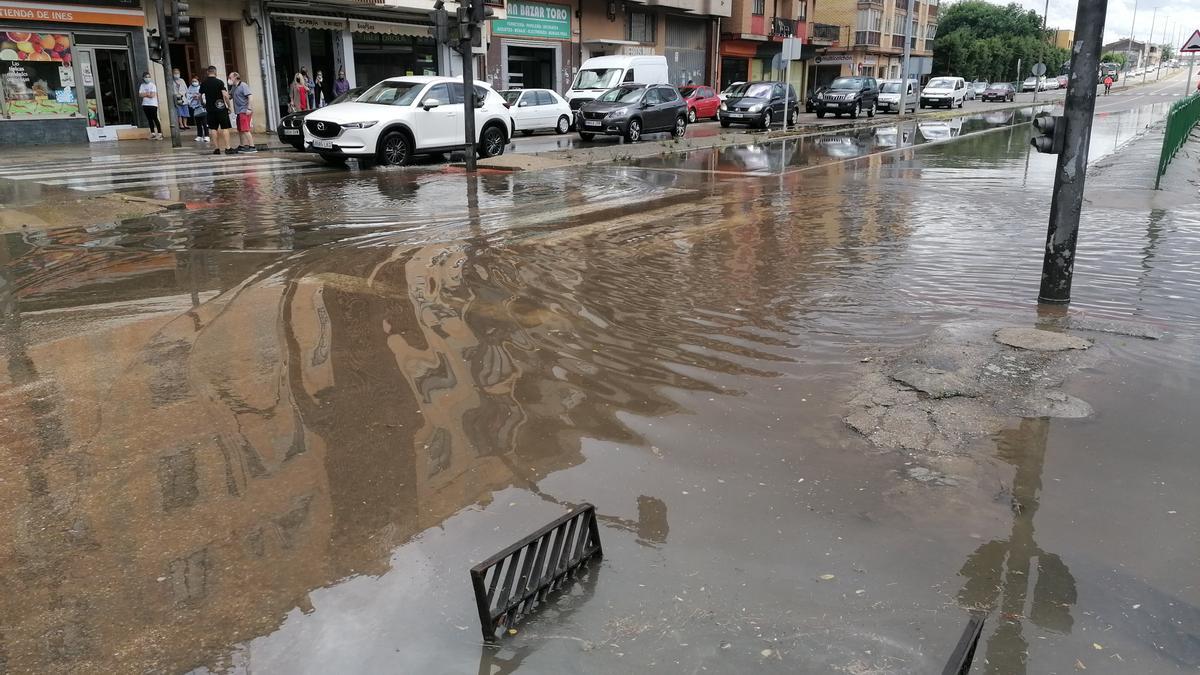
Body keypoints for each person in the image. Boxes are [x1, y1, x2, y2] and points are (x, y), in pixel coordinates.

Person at [199, 65, 236, 155]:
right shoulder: (219, 82)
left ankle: (216, 149)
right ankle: (228, 148)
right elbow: (225, 95)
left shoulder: (204, 83)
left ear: (208, 72)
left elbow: (200, 95)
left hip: (210, 109)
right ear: (215, 72)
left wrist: (202, 103)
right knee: (225, 128)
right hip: (221, 108)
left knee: (213, 129)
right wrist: (229, 106)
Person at [229, 71, 256, 153]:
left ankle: (252, 146)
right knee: (240, 129)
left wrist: (249, 108)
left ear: (235, 77)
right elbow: (230, 96)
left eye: (230, 77)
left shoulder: (243, 85)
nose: (229, 79)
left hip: (244, 110)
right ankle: (242, 146)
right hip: (238, 111)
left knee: (245, 129)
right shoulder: (234, 87)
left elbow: (250, 97)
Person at [138, 72, 163, 140]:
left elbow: (152, 95)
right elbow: (140, 94)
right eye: (146, 77)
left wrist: (145, 94)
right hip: (145, 104)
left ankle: (160, 133)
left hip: (152, 104)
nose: (147, 78)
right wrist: (147, 93)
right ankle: (153, 133)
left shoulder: (152, 85)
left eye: (149, 77)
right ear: (143, 78)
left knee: (155, 118)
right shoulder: (142, 85)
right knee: (149, 119)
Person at [187, 76, 208, 142]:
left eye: (195, 81)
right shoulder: (190, 88)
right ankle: (199, 135)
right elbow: (188, 95)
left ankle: (207, 136)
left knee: (204, 122)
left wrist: (199, 97)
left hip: (201, 106)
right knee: (198, 122)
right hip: (195, 107)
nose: (194, 82)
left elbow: (204, 95)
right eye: (193, 81)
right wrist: (193, 96)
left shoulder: (201, 87)